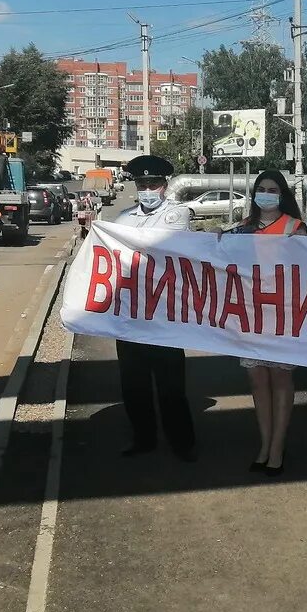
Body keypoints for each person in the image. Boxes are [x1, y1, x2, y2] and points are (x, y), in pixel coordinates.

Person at [111, 154, 197, 462]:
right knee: (133, 384)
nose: (148, 189)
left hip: (166, 314)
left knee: (171, 386)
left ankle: (182, 443)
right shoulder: (122, 219)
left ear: (165, 185)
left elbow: (169, 247)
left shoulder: (178, 214)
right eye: (143, 184)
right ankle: (143, 438)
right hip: (131, 314)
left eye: (154, 184)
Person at [229, 169, 306, 476]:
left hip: (284, 315)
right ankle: (265, 444)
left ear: (282, 194)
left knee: (281, 379)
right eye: (261, 188)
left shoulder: (295, 228)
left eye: (273, 189)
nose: (266, 194)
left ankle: (277, 448)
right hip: (252, 314)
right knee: (258, 381)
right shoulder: (243, 229)